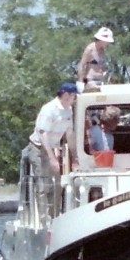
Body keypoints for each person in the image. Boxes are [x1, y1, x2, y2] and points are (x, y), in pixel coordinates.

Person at [24, 82, 79, 219]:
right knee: (43, 185)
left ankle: (55, 218)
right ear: (66, 95)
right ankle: (43, 220)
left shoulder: (68, 110)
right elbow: (43, 134)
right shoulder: (49, 109)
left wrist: (75, 157)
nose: (75, 99)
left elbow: (69, 134)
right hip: (38, 148)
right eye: (74, 96)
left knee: (56, 185)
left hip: (52, 148)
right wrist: (51, 158)